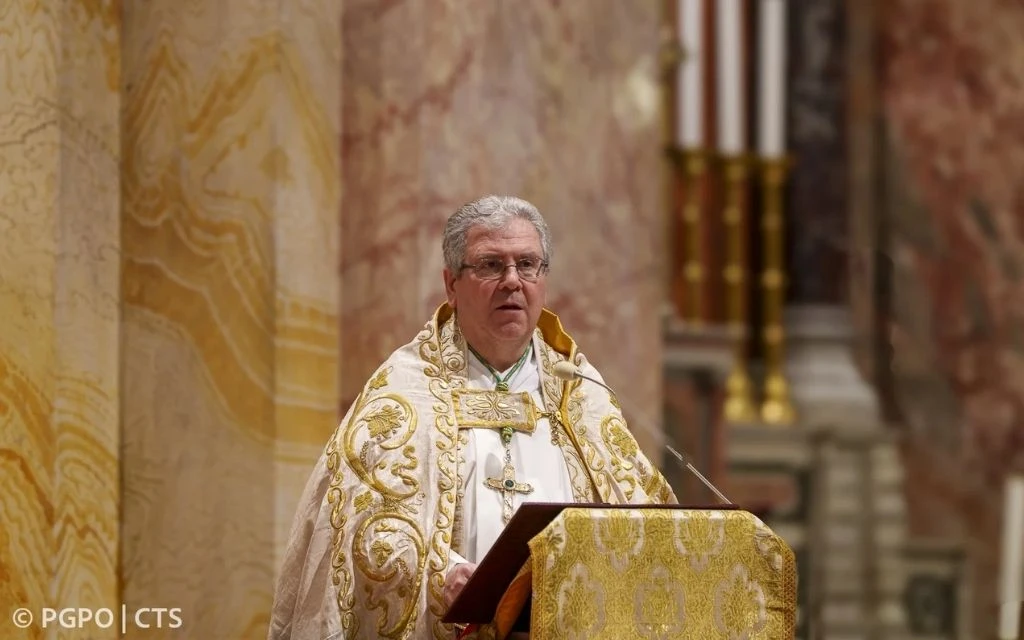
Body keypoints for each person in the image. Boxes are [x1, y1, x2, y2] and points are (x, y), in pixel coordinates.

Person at [268, 195, 677, 640]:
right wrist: (442, 577)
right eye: (489, 265)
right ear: (451, 284)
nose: (512, 281)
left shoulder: (580, 389)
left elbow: (644, 524)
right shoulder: (405, 391)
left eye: (527, 264)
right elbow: (356, 532)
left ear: (544, 278)